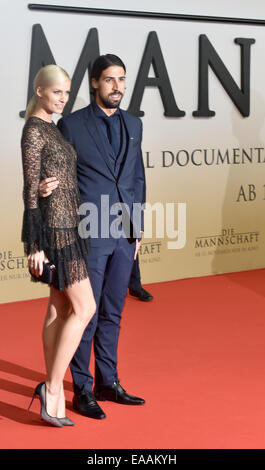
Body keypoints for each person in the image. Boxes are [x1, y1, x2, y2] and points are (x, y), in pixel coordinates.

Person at [39, 54, 146, 420]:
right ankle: (82, 389)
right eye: (110, 80)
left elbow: (137, 178)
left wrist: (137, 227)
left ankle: (108, 381)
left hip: (123, 233)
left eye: (122, 79)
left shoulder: (134, 123)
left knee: (113, 311)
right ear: (95, 83)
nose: (117, 86)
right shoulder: (71, 125)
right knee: (86, 312)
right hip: (88, 231)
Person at [21, 64, 96, 427]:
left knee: (60, 308)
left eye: (67, 92)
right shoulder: (34, 132)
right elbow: (29, 191)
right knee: (85, 308)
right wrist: (35, 244)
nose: (63, 99)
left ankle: (47, 386)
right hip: (56, 231)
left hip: (72, 225)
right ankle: (52, 390)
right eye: (57, 92)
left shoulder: (52, 126)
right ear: (39, 91)